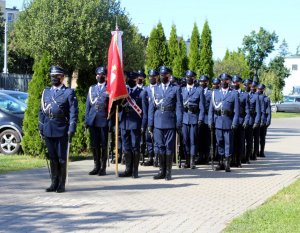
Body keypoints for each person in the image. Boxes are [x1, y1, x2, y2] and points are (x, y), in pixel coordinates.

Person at [39, 65, 78, 193]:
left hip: (61, 128)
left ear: (62, 77)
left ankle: (61, 184)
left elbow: (73, 112)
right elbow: (41, 111)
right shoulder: (46, 92)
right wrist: (41, 126)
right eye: (52, 76)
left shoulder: (68, 92)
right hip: (48, 128)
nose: (54, 78)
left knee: (61, 158)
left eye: (56, 76)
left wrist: (72, 127)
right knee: (53, 157)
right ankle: (53, 182)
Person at [148, 66, 183, 180]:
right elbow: (151, 108)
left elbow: (179, 107)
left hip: (170, 121)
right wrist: (150, 123)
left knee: (169, 147)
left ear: (169, 76)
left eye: (165, 75)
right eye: (161, 75)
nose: (163, 77)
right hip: (158, 121)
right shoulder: (156, 89)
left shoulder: (175, 89)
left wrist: (178, 123)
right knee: (160, 147)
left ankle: (168, 172)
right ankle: (161, 171)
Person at [208, 73, 239, 172]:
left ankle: (227, 163)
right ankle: (220, 162)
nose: (223, 82)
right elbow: (211, 110)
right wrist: (210, 121)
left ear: (229, 81)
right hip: (218, 122)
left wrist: (234, 123)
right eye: (222, 80)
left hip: (228, 122)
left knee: (228, 143)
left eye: (226, 80)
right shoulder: (215, 93)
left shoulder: (233, 93)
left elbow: (236, 111)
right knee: (219, 142)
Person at [119, 71, 148, 178]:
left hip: (135, 123)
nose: (130, 81)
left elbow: (144, 111)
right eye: (129, 79)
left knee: (135, 147)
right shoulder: (123, 91)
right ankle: (128, 169)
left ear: (136, 80)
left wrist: (143, 125)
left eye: (133, 79)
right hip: (124, 122)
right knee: (126, 147)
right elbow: (117, 106)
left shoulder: (142, 92)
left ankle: (135, 171)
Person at [85, 66, 109, 176]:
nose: (100, 77)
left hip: (103, 119)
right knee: (94, 145)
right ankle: (96, 166)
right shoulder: (92, 89)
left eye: (103, 75)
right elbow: (88, 106)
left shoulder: (109, 88)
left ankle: (103, 167)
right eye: (99, 75)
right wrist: (87, 120)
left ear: (106, 77)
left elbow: (111, 107)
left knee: (103, 145)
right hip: (93, 120)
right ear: (96, 76)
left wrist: (111, 121)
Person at [181, 70, 205, 169]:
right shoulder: (181, 90)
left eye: (190, 77)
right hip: (185, 118)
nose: (188, 79)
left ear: (194, 78)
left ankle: (192, 161)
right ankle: (186, 160)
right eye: (187, 77)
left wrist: (200, 119)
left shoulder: (199, 90)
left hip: (194, 117)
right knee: (185, 140)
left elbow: (202, 106)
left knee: (193, 140)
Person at [232, 75, 250, 167]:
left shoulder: (245, 95)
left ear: (240, 83)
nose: (235, 84)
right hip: (231, 122)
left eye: (237, 82)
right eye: (234, 82)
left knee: (240, 142)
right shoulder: (230, 93)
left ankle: (238, 160)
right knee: (231, 141)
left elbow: (247, 111)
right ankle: (232, 160)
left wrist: (246, 121)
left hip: (241, 121)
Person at [143, 69, 159, 167]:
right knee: (148, 138)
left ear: (157, 77)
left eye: (154, 76)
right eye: (150, 76)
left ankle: (157, 157)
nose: (152, 78)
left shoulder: (160, 88)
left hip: (157, 117)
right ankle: (150, 157)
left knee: (157, 138)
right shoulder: (145, 89)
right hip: (148, 116)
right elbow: (143, 106)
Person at [243, 79, 261, 163]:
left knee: (249, 141)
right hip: (242, 121)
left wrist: (256, 122)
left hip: (251, 121)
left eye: (249, 85)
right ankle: (242, 156)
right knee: (241, 140)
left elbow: (258, 111)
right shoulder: (241, 94)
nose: (247, 87)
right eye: (245, 85)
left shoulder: (255, 96)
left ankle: (248, 157)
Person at [197, 75, 212, 164]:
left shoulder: (210, 93)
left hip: (207, 117)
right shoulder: (198, 91)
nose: (202, 83)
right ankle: (200, 156)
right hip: (199, 117)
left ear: (207, 82)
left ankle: (206, 157)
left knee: (207, 139)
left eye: (204, 82)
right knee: (199, 138)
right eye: (201, 82)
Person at [257, 84, 271, 157]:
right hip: (256, 120)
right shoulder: (255, 97)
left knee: (262, 137)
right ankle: (254, 152)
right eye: (259, 89)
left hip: (263, 120)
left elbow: (268, 111)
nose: (260, 90)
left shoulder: (266, 99)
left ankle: (261, 151)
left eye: (261, 89)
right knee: (255, 137)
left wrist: (268, 120)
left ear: (263, 89)